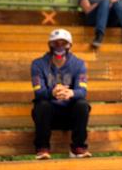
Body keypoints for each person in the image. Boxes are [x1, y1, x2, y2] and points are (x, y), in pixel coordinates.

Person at [30, 29, 92, 160]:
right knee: (42, 104)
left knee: (82, 104)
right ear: (50, 45)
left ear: (69, 45)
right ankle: (42, 148)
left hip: (70, 117)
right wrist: (52, 93)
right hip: (48, 117)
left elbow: (82, 91)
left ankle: (78, 147)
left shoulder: (79, 64)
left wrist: (71, 93)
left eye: (63, 43)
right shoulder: (38, 64)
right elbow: (39, 92)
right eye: (55, 43)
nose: (59, 47)